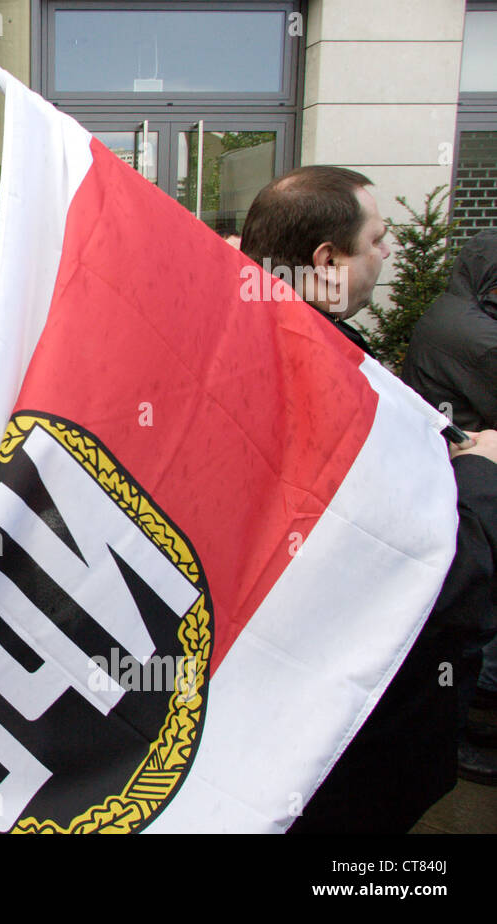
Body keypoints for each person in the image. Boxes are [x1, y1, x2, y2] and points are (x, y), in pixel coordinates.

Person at [240, 166, 497, 831]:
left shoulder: (245, 347)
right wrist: (483, 480)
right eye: (378, 238)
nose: (389, 253)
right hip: (350, 759)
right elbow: (439, 588)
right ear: (326, 262)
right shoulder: (331, 388)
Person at [401, 230, 497, 784]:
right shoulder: (473, 332)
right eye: (376, 239)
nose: (387, 253)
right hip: (466, 476)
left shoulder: (455, 313)